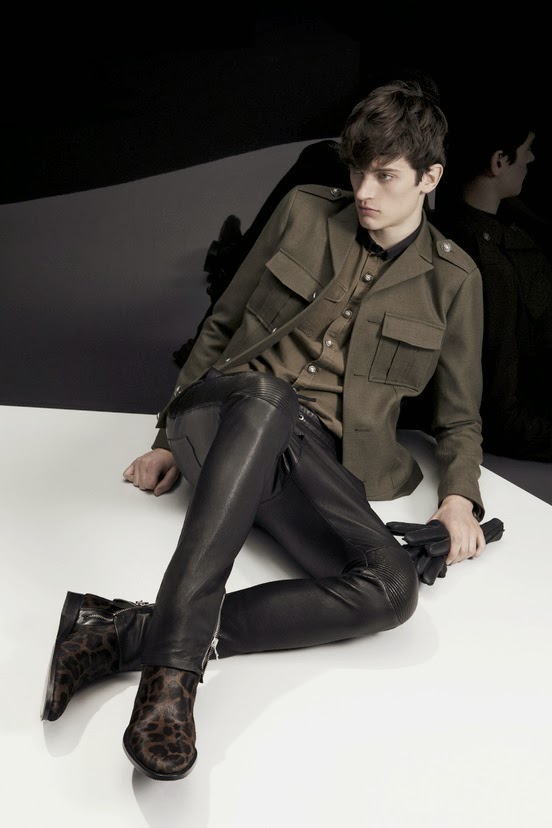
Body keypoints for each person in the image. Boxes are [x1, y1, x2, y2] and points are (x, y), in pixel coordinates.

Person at [41, 79, 488, 782]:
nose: (364, 189)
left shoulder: (456, 281)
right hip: (227, 414)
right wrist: (166, 438)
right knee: (267, 395)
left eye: (386, 176)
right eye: (357, 169)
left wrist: (459, 496)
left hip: (307, 464)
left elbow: (460, 413)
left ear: (430, 179)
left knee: (393, 587)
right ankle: (172, 680)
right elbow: (221, 323)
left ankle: (118, 633)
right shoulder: (304, 210)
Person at [433, 98, 552, 462]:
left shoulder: (455, 228)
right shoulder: (486, 263)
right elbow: (501, 410)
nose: (531, 158)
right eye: (526, 149)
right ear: (499, 161)